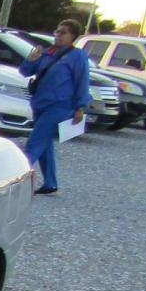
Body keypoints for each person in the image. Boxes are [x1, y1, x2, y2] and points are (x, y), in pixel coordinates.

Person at [17, 19, 92, 195]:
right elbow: (25, 71)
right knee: (45, 144)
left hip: (60, 105)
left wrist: (81, 106)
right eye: (57, 31)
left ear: (73, 36)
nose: (58, 35)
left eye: (63, 32)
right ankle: (50, 182)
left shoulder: (77, 56)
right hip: (40, 104)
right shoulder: (48, 52)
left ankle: (16, 179)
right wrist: (30, 60)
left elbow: (82, 81)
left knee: (35, 143)